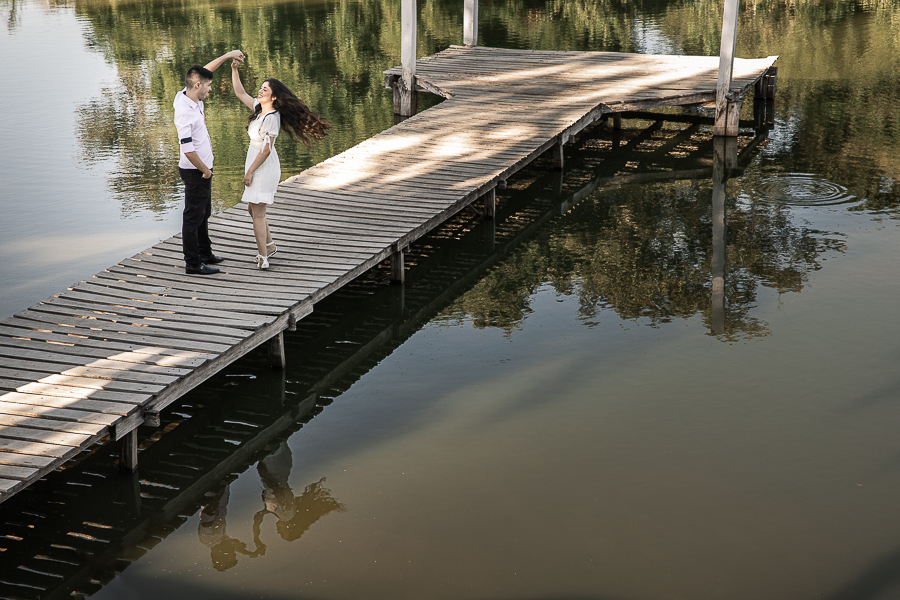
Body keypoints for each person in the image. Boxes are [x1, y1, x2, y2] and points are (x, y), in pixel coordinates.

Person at [231, 60, 331, 269]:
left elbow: (266, 150)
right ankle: (270, 245)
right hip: (256, 163)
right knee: (252, 209)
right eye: (260, 87)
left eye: (264, 89)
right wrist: (234, 69)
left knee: (258, 213)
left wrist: (250, 171)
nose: (260, 90)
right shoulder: (260, 109)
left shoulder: (272, 118)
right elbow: (240, 93)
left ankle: (263, 257)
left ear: (274, 96)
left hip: (262, 167)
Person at [174, 49, 245, 275]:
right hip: (196, 171)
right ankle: (193, 264)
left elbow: (203, 72)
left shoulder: (189, 93)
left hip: (204, 169)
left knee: (204, 212)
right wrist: (204, 170)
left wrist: (226, 57)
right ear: (198, 86)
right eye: (208, 86)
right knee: (193, 217)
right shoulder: (186, 112)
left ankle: (206, 253)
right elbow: (187, 150)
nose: (211, 89)